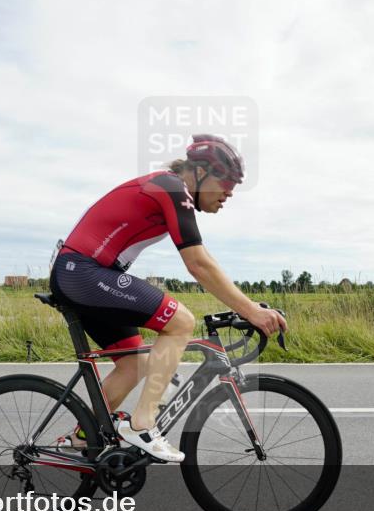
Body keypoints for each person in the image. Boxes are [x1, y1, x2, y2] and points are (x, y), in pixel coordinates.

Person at [48, 134, 287, 462]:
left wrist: (249, 306)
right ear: (199, 172)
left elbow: (205, 258)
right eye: (226, 181)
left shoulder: (171, 190)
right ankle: (142, 425)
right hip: (81, 273)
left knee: (134, 364)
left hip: (83, 274)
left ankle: (82, 437)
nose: (230, 192)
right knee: (180, 321)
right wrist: (251, 311)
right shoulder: (172, 188)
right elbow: (197, 264)